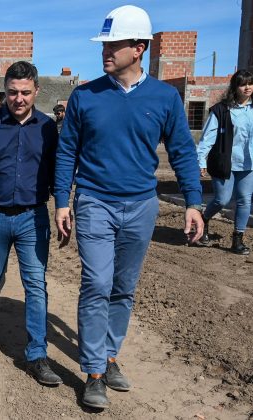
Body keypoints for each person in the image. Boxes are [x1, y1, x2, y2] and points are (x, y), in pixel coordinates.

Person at [53, 5, 203, 409]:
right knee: (97, 283)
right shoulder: (85, 96)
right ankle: (93, 373)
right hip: (94, 201)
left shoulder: (164, 98)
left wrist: (193, 202)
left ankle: (109, 355)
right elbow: (66, 152)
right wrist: (62, 201)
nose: (105, 51)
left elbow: (182, 151)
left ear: (138, 48)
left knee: (123, 287)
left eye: (113, 44)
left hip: (141, 205)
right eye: (104, 44)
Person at [0, 61, 62, 386]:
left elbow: (58, 170)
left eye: (25, 92)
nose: (19, 99)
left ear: (36, 91)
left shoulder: (47, 128)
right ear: (5, 90)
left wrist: (63, 207)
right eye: (13, 92)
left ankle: (37, 354)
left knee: (36, 284)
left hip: (33, 216)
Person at [196, 69, 253, 255]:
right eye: (243, 84)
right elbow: (207, 138)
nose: (247, 87)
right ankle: (203, 219)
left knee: (244, 200)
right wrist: (201, 161)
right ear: (235, 87)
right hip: (224, 163)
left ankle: (238, 239)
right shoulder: (221, 110)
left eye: (250, 83)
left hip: (248, 164)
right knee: (222, 199)